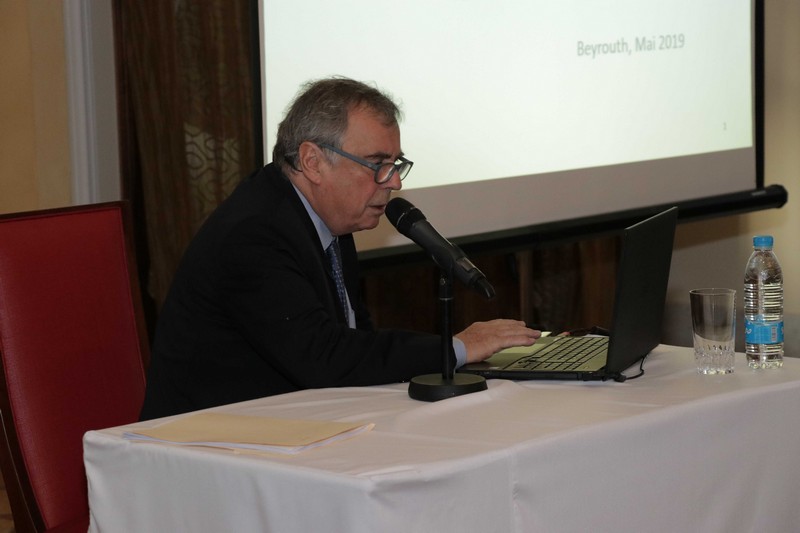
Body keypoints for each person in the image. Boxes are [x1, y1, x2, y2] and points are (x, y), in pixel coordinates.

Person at [139, 77, 540, 420]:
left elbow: (353, 340)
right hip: (206, 450)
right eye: (377, 164)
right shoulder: (254, 233)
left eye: (396, 164)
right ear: (313, 161)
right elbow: (324, 357)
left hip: (288, 425)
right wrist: (456, 348)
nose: (394, 182)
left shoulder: (329, 220)